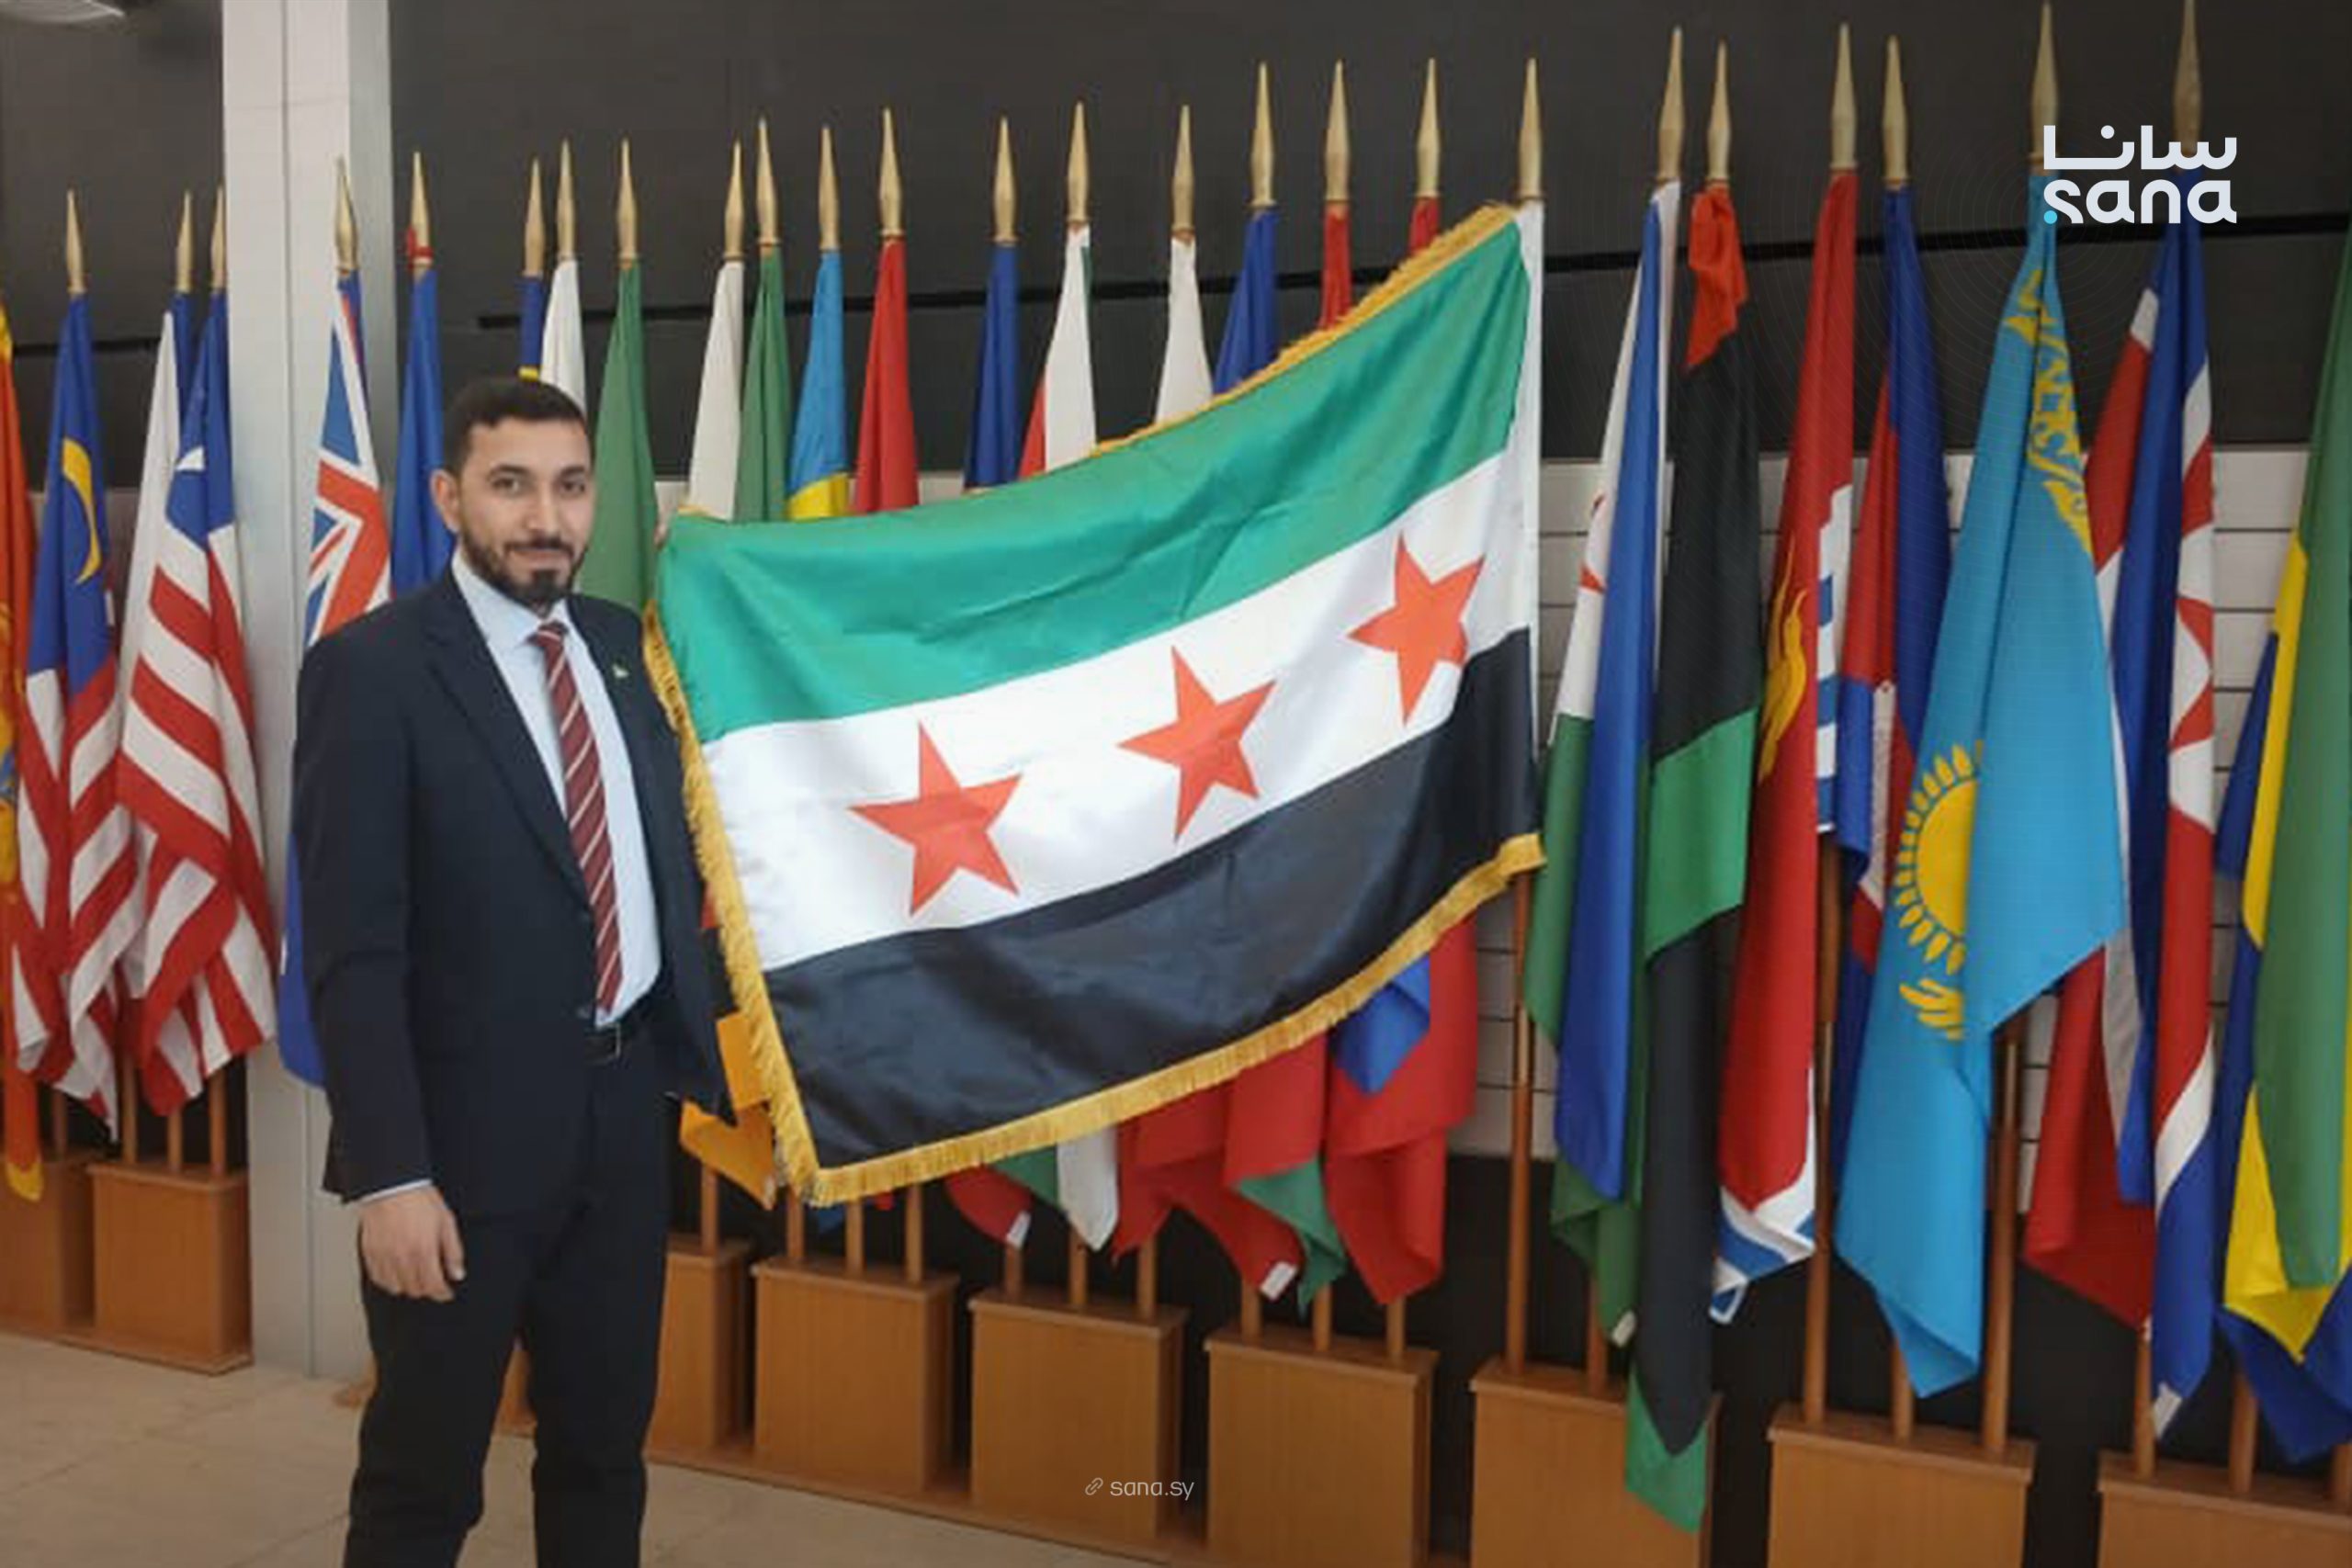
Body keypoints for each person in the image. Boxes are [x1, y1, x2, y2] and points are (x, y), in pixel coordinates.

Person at [294, 375, 729, 1568]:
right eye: (511, 485)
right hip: (456, 1152)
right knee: (424, 1482)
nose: (546, 517)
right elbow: (351, 952)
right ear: (449, 498)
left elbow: (660, 869)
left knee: (603, 1455)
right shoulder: (372, 673)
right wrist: (391, 1176)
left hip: (621, 1122)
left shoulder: (625, 650)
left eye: (570, 486)